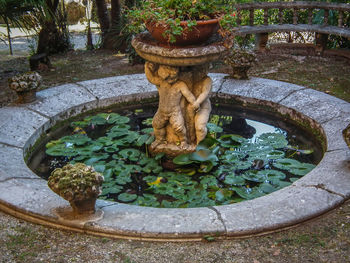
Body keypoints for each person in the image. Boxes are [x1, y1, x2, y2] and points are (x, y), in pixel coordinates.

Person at [145, 62, 199, 148]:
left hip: (174, 112)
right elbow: (151, 78)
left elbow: (188, 95)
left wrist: (195, 103)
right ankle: (160, 139)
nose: (171, 80)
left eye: (173, 77)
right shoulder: (161, 81)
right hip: (161, 111)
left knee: (179, 127)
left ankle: (183, 141)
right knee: (156, 124)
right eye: (168, 78)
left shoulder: (180, 85)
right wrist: (147, 68)